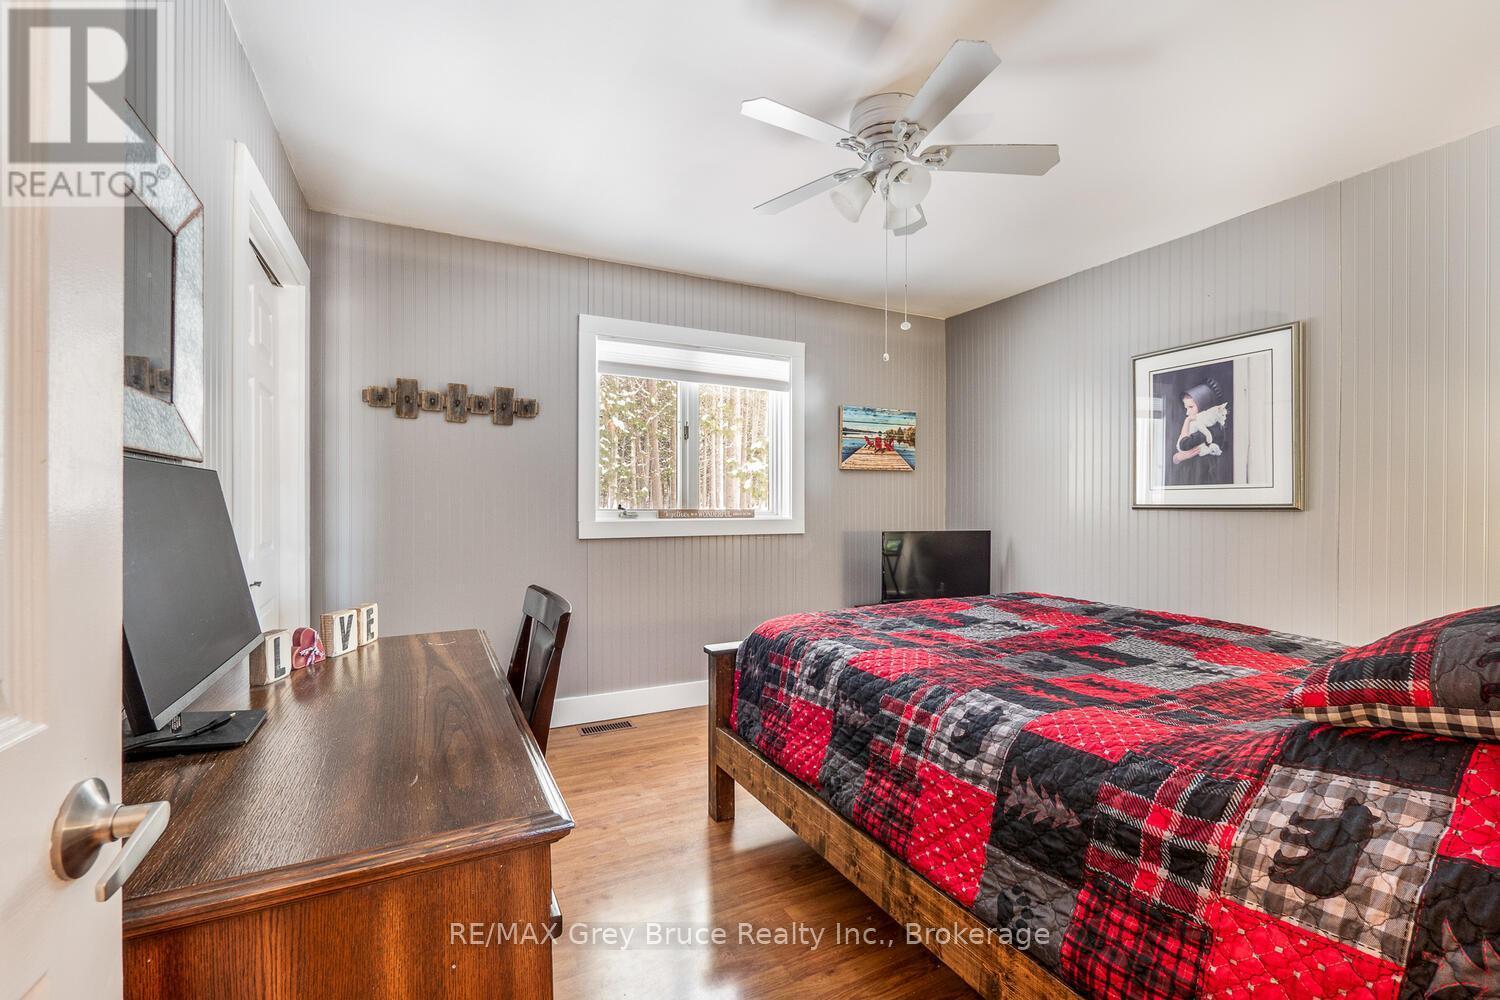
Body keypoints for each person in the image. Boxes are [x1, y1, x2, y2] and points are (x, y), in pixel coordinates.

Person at [1172, 380, 1229, 483]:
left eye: (1191, 407)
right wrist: (1178, 457)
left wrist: (1187, 421)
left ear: (1204, 405)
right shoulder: (1195, 423)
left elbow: (1184, 444)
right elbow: (1175, 458)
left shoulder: (1212, 428)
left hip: (1202, 474)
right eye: (1186, 408)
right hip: (1187, 473)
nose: (1187, 413)